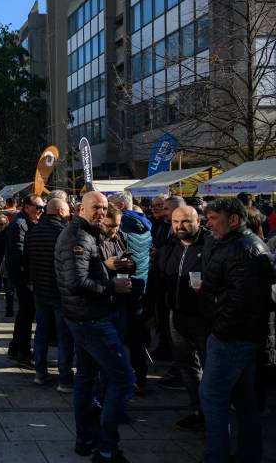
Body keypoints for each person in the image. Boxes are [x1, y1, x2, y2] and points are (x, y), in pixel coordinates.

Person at [55, 191, 134, 462]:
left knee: (86, 379)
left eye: (103, 207)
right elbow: (76, 282)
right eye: (95, 207)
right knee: (123, 379)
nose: (100, 212)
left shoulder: (87, 233)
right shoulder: (78, 236)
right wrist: (112, 286)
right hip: (89, 319)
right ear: (81, 209)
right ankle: (106, 447)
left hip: (85, 316)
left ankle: (87, 439)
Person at [199, 198, 274, 463]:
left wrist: (218, 330)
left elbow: (241, 302)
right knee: (242, 397)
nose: (209, 224)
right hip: (238, 335)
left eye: (213, 218)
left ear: (233, 220)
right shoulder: (236, 244)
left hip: (232, 337)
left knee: (212, 397)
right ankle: (248, 454)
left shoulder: (243, 248)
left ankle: (217, 457)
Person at [153, 206, 210, 431]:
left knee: (210, 368)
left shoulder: (210, 244)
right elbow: (160, 278)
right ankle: (198, 410)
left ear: (198, 222)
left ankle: (213, 413)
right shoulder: (170, 246)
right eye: (175, 222)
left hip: (204, 319)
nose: (180, 226)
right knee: (187, 368)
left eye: (185, 221)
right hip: (176, 315)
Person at [26, 198, 74, 393]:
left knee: (42, 333)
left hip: (40, 289)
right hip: (60, 292)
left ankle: (40, 373)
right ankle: (64, 378)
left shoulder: (33, 231)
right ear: (61, 211)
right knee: (64, 336)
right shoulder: (65, 232)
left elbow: (28, 259)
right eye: (68, 210)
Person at [108, 191, 153, 395]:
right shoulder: (146, 225)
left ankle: (122, 378)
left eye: (111, 206)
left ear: (121, 207)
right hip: (141, 285)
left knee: (120, 334)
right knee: (137, 336)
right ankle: (140, 377)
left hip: (123, 286)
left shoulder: (122, 227)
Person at [6, 194, 44, 368]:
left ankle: (15, 348)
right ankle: (23, 353)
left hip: (24, 276)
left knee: (24, 313)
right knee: (26, 315)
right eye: (38, 207)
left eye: (42, 207)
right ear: (27, 207)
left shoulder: (26, 221)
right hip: (24, 277)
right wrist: (28, 277)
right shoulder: (20, 224)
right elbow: (19, 253)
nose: (41, 210)